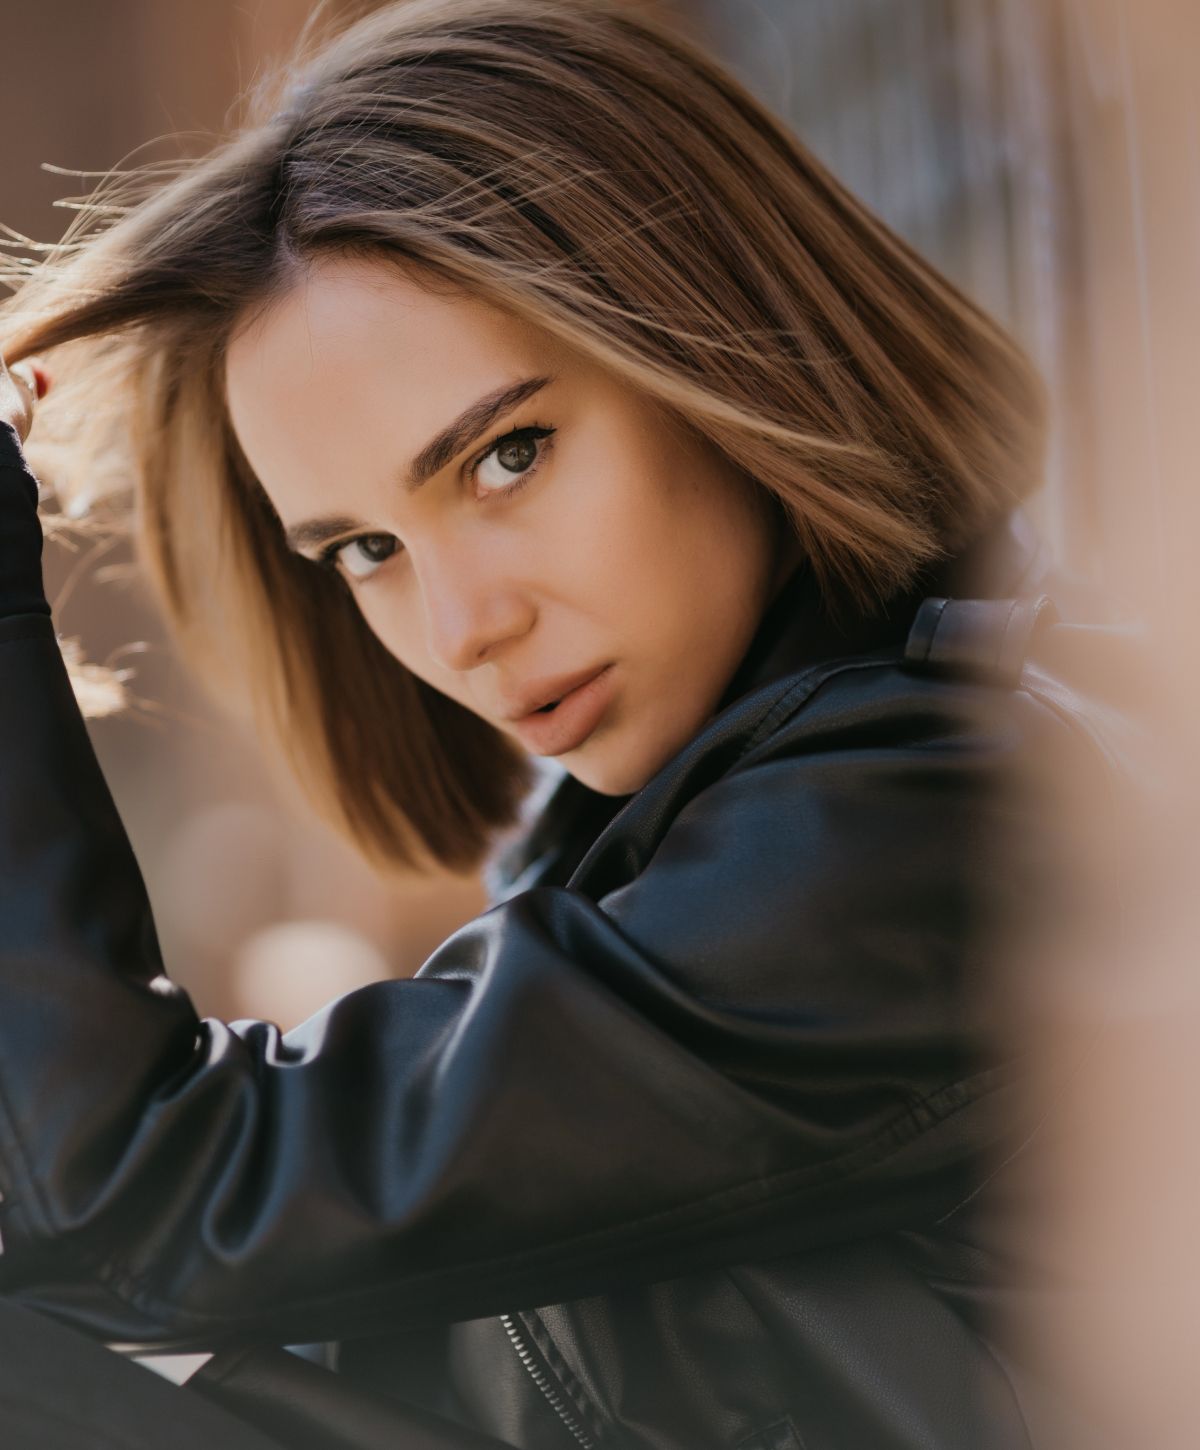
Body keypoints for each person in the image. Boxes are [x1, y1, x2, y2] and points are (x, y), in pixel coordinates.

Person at [0, 1, 1130, 1446]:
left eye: (505, 455)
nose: (462, 624)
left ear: (722, 350)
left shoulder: (943, 826)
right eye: (362, 549)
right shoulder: (648, 847)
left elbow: (133, 1203)